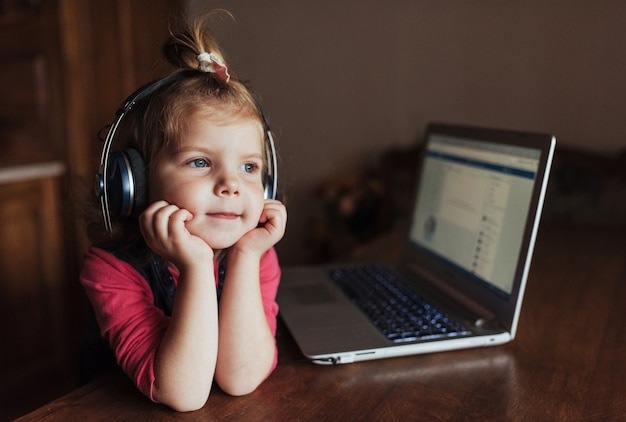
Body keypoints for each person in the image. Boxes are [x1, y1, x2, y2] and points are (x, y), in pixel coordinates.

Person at [79, 12, 287, 412]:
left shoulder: (255, 256)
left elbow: (240, 378)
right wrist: (195, 268)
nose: (232, 185)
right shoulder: (111, 269)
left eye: (249, 167)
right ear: (137, 182)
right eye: (199, 162)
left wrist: (244, 258)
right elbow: (184, 393)